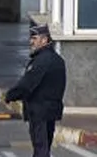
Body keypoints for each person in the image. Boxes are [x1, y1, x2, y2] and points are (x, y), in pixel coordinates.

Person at [5, 24, 67, 157]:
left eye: (34, 38)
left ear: (44, 40)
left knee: (40, 148)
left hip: (40, 111)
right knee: (45, 146)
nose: (31, 42)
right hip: (51, 110)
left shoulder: (41, 61)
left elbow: (27, 83)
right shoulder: (58, 60)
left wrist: (11, 95)